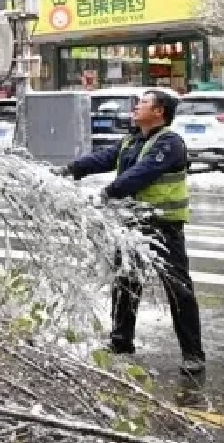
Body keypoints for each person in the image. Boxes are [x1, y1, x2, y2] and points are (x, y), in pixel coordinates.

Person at [62, 89, 206, 375]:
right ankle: (121, 341)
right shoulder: (132, 139)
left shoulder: (169, 143)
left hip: (164, 227)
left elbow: (142, 173)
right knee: (126, 283)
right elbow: (103, 158)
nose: (136, 107)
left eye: (143, 103)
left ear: (159, 112)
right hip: (133, 224)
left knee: (178, 290)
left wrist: (107, 193)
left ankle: (193, 354)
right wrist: (69, 170)